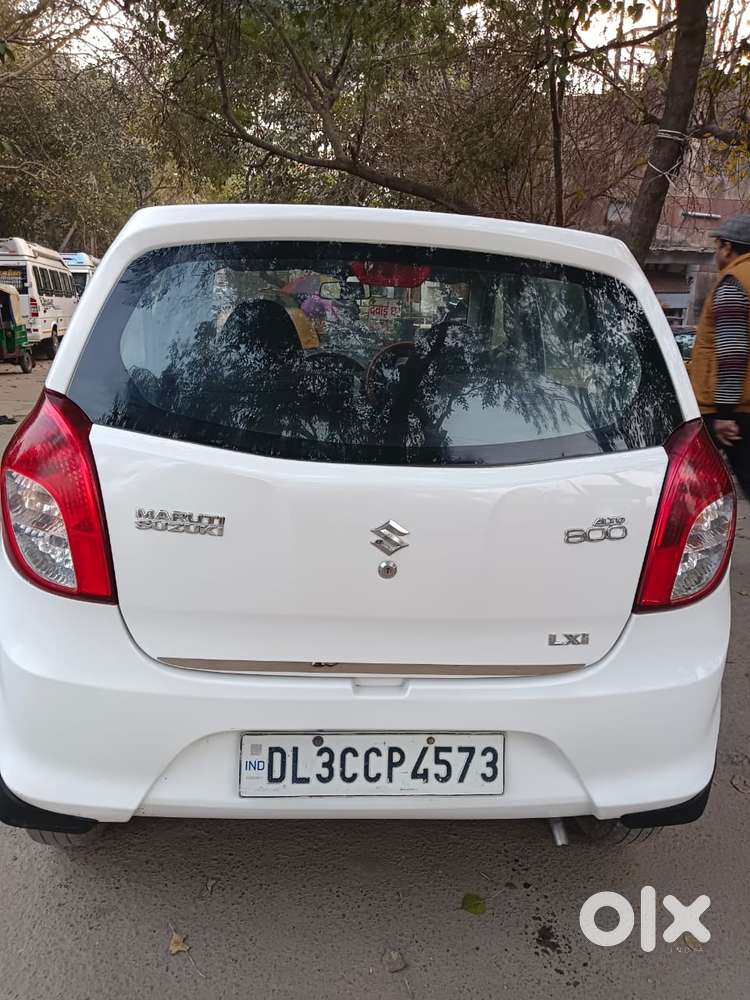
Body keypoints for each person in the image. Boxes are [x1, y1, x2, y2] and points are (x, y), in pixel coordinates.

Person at [689, 214, 750, 497]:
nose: (716, 254)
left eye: (717, 246)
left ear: (728, 247)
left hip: (735, 412)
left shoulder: (734, 284)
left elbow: (733, 351)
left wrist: (724, 414)